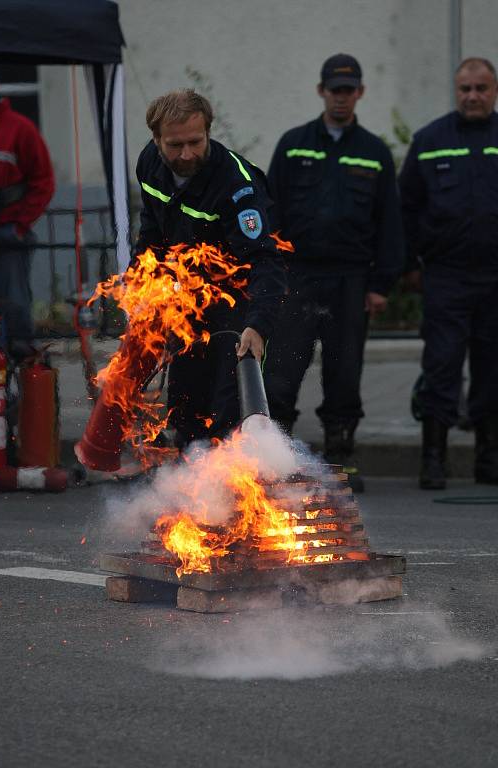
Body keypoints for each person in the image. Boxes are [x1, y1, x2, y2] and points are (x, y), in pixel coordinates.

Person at [263, 54, 404, 491]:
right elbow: (271, 213)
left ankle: (340, 457)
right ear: (321, 90)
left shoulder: (374, 152)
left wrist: (381, 286)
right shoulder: (293, 144)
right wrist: (273, 274)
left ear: (359, 93)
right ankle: (276, 457)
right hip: (298, 276)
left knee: (344, 373)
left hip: (350, 279)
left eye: (349, 90)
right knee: (284, 369)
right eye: (334, 89)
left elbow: (390, 224)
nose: (341, 97)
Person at [134, 88, 286, 447]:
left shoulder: (237, 186)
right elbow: (152, 234)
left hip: (238, 307)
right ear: (156, 140)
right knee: (185, 409)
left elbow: (266, 261)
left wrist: (258, 327)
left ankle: (233, 498)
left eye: (195, 142)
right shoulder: (149, 165)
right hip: (187, 303)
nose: (186, 154)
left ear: (208, 132)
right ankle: (190, 494)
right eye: (175, 145)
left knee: (227, 415)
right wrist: (141, 289)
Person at [399, 57, 498, 489]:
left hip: (496, 278)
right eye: (465, 89)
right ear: (455, 91)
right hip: (447, 276)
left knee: (493, 368)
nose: (472, 96)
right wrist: (408, 266)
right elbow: (404, 210)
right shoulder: (430, 140)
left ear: (494, 91)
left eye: (481, 88)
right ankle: (433, 458)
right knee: (441, 366)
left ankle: (489, 458)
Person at [0, 62, 54, 359]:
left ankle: (22, 366)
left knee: (13, 304)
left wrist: (20, 224)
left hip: (7, 231)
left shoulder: (19, 129)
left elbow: (43, 181)